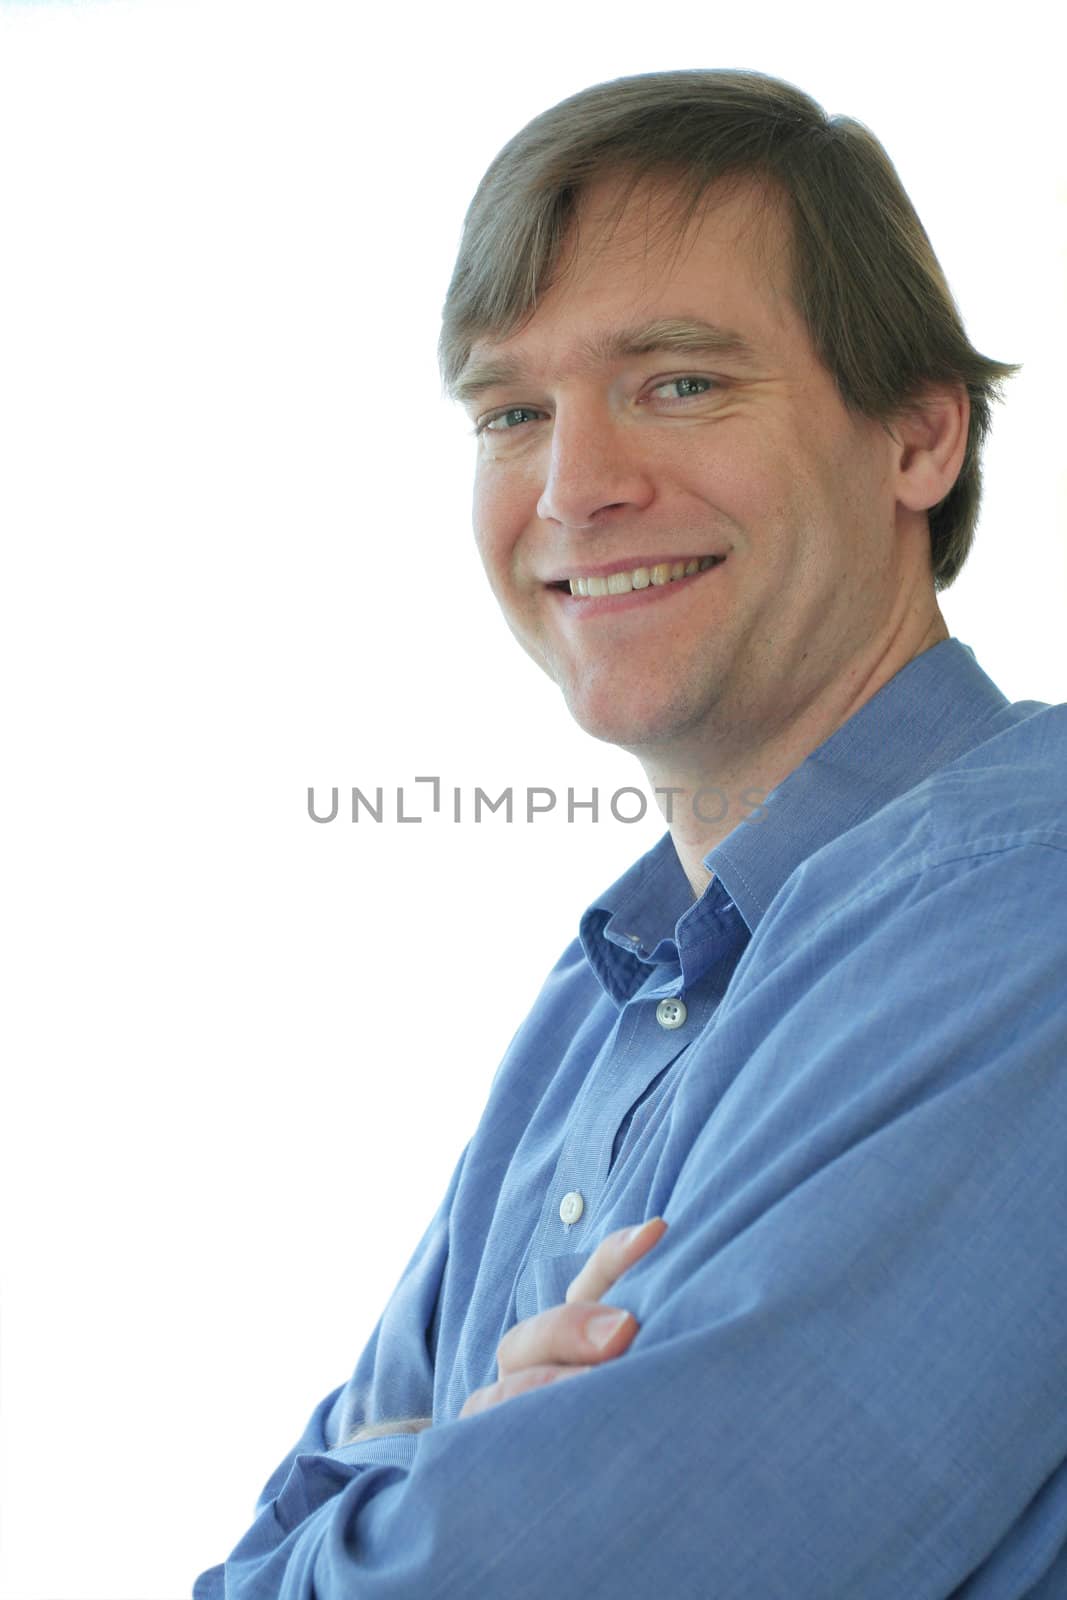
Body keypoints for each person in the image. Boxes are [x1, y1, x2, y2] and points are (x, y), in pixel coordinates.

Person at [194, 68, 1067, 1598]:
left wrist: (452, 1489)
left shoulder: (1032, 898)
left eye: (679, 382)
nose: (575, 488)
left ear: (921, 440)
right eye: (511, 412)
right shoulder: (603, 998)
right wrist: (468, 1481)